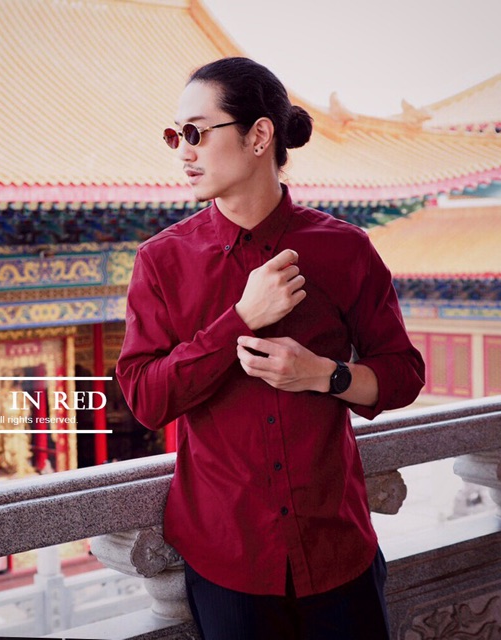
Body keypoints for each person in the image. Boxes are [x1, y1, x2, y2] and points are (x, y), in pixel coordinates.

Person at [116, 57, 425, 640]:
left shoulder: (344, 249)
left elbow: (404, 373)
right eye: (175, 136)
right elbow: (147, 400)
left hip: (338, 550)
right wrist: (238, 321)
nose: (183, 152)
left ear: (259, 135)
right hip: (229, 560)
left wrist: (325, 375)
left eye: (196, 132)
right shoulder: (162, 260)